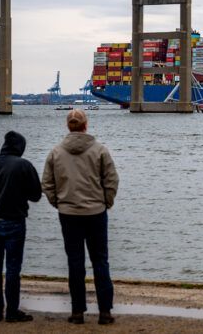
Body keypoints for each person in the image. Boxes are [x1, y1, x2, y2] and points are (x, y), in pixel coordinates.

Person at [42, 108, 119, 325]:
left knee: (75, 262)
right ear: (86, 125)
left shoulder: (55, 152)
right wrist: (106, 203)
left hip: (68, 215)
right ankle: (105, 312)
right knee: (100, 261)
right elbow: (112, 180)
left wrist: (59, 203)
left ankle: (77, 312)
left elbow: (47, 183)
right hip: (96, 213)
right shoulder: (100, 151)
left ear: (69, 126)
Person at [0, 130, 41, 323]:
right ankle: (12, 311)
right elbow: (36, 195)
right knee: (13, 268)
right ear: (21, 147)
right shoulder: (24, 165)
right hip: (15, 222)